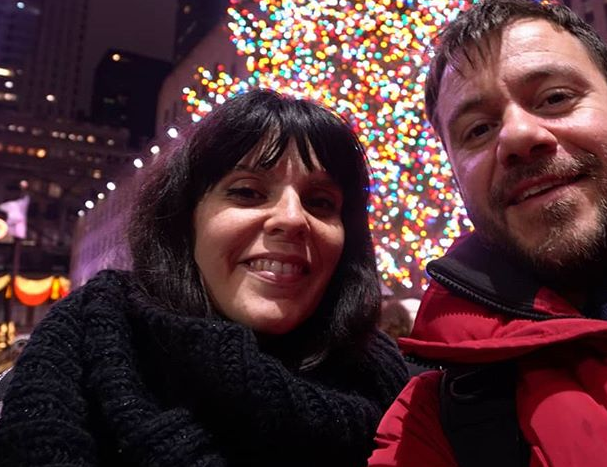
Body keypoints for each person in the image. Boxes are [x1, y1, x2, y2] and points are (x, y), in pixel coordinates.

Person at [368, 1, 607, 466]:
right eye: (478, 129)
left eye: (554, 98)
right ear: (457, 178)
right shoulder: (432, 423)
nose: (518, 136)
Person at [0, 89, 408, 466]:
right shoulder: (74, 359)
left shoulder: (403, 399)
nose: (292, 218)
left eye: (320, 202)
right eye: (247, 192)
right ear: (184, 220)